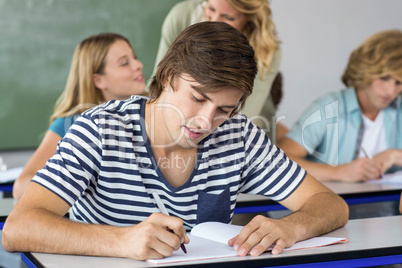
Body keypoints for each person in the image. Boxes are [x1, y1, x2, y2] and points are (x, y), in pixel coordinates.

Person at [2, 22, 348, 261]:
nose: (206, 121)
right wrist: (121, 241)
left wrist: (290, 227)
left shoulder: (239, 135)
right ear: (167, 77)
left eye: (224, 109)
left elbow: (331, 204)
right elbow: (18, 228)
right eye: (198, 98)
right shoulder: (100, 128)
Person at [12, 32, 146, 199]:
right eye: (124, 63)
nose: (138, 65)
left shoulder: (152, 112)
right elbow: (21, 186)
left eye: (135, 58)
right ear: (98, 81)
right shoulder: (71, 123)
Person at [278, 29, 402, 183]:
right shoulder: (329, 107)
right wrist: (338, 172)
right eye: (384, 78)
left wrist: (394, 155)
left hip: (386, 205)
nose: (391, 91)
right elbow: (279, 160)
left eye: (399, 82)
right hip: (332, 203)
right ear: (367, 71)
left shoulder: (399, 109)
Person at [152, 0, 286, 142]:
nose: (214, 21)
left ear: (249, 19)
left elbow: (247, 116)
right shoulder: (182, 16)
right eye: (211, 8)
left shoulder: (267, 50)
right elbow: (159, 82)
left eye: (228, 17)